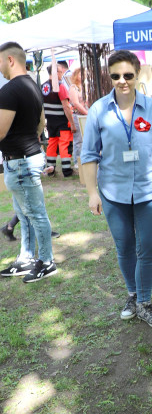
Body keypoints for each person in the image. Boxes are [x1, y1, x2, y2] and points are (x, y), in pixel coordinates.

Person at [81, 50, 152, 329]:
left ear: (138, 74)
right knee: (124, 247)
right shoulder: (99, 110)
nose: (122, 81)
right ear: (109, 76)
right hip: (112, 191)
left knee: (147, 248)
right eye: (115, 76)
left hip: (149, 190)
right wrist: (92, 192)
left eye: (128, 75)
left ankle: (145, 303)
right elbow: (89, 155)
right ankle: (133, 296)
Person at [0, 42, 57, 282]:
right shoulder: (33, 86)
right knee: (24, 214)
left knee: (34, 214)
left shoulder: (10, 90)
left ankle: (46, 261)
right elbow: (41, 124)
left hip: (21, 161)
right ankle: (27, 258)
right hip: (27, 157)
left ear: (10, 60)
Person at [41, 57, 76, 177]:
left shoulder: (43, 86)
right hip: (62, 122)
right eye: (60, 72)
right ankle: (67, 170)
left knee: (52, 144)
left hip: (50, 122)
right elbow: (66, 107)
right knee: (64, 144)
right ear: (56, 72)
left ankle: (50, 170)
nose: (61, 75)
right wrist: (72, 123)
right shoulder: (60, 86)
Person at [67, 66, 88, 168]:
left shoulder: (84, 87)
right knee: (78, 140)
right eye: (80, 74)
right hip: (77, 115)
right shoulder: (73, 87)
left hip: (84, 114)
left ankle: (84, 159)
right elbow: (75, 103)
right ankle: (77, 161)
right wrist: (86, 112)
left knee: (85, 139)